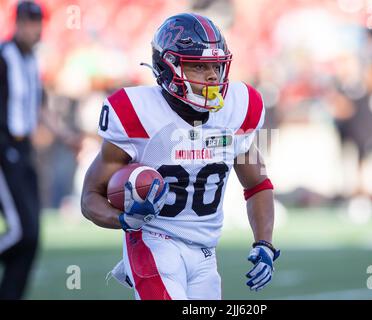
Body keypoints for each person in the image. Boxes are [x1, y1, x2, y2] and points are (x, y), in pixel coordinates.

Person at [81, 13, 280, 300]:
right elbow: (90, 198)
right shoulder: (136, 112)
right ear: (167, 67)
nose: (213, 76)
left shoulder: (237, 109)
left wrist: (264, 242)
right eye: (198, 67)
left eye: (217, 66)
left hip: (205, 253)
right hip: (153, 243)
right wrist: (125, 220)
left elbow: (257, 185)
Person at [0, 1, 80, 300]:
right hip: (4, 149)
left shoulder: (33, 60)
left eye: (38, 23)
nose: (34, 29)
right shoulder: (4, 57)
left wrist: (65, 135)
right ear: (17, 23)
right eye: (29, 22)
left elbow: (39, 107)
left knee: (32, 238)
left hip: (24, 152)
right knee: (21, 232)